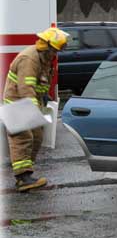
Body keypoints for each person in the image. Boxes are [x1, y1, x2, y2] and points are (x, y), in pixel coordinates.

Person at [3, 27, 68, 192]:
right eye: (54, 50)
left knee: (37, 137)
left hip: (30, 102)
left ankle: (26, 173)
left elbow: (41, 82)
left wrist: (44, 95)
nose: (55, 54)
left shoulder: (43, 57)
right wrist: (34, 109)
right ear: (46, 46)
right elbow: (26, 87)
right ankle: (22, 178)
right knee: (23, 137)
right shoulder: (29, 59)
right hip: (17, 103)